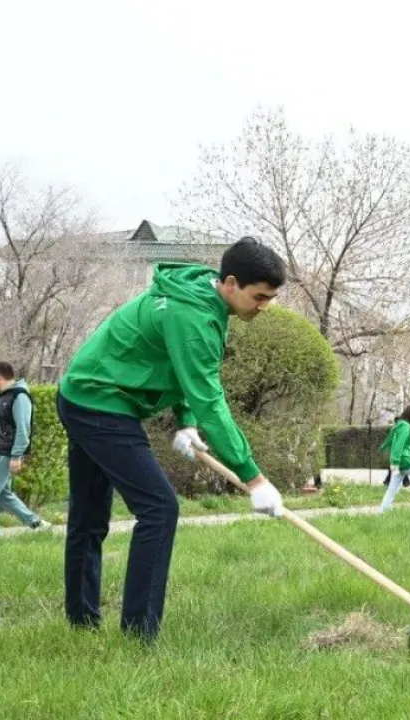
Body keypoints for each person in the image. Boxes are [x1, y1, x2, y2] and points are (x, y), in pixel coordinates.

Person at [57, 237, 287, 641]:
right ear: (231, 283)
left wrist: (184, 421)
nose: (265, 306)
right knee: (160, 508)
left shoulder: (202, 297)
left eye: (270, 298)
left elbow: (174, 364)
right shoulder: (194, 315)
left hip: (89, 394)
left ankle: (81, 623)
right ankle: (138, 635)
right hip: (99, 402)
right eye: (260, 297)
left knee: (90, 518)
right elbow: (210, 398)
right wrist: (253, 478)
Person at [0, 362, 49, 538]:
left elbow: (23, 429)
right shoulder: (3, 397)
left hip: (4, 454)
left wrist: (17, 456)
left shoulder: (19, 396)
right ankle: (37, 524)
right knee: (4, 495)